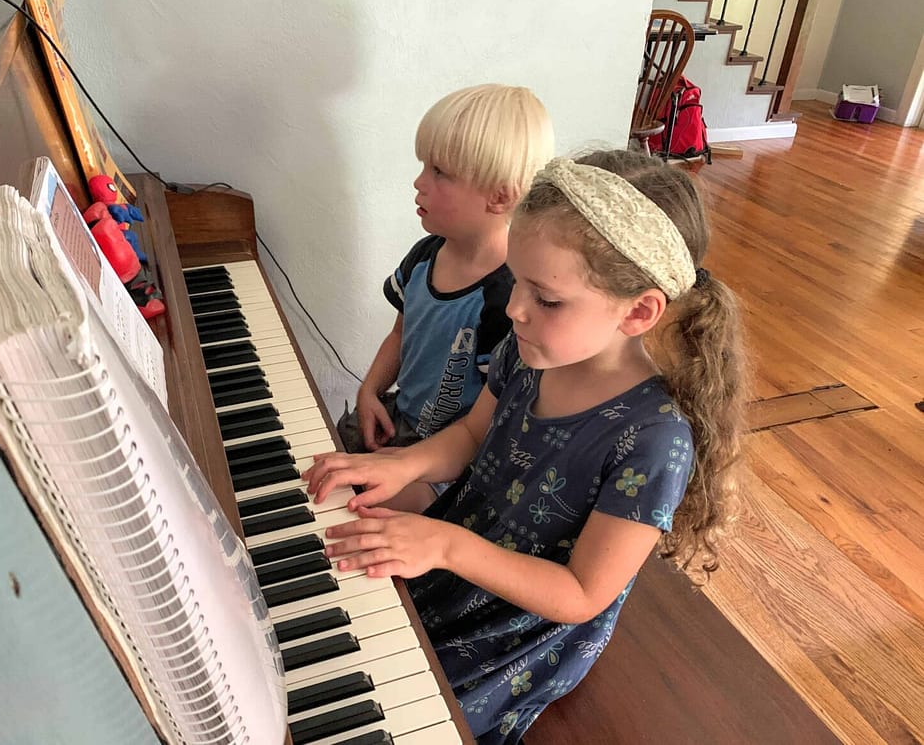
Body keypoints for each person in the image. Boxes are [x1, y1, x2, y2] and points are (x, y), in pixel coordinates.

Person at [304, 150, 749, 744]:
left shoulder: (654, 439)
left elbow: (583, 594)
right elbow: (472, 435)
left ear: (639, 311)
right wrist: (401, 464)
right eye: (517, 281)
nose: (514, 308)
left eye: (547, 298)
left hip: (519, 623)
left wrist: (446, 545)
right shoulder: (525, 350)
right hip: (461, 547)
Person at [336, 83, 554, 509]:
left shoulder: (506, 298)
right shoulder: (424, 255)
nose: (419, 182)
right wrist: (370, 391)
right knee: (322, 463)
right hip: (401, 422)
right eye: (424, 167)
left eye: (440, 172)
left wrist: (413, 463)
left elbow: (493, 422)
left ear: (500, 196)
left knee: (361, 514)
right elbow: (400, 334)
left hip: (457, 460)